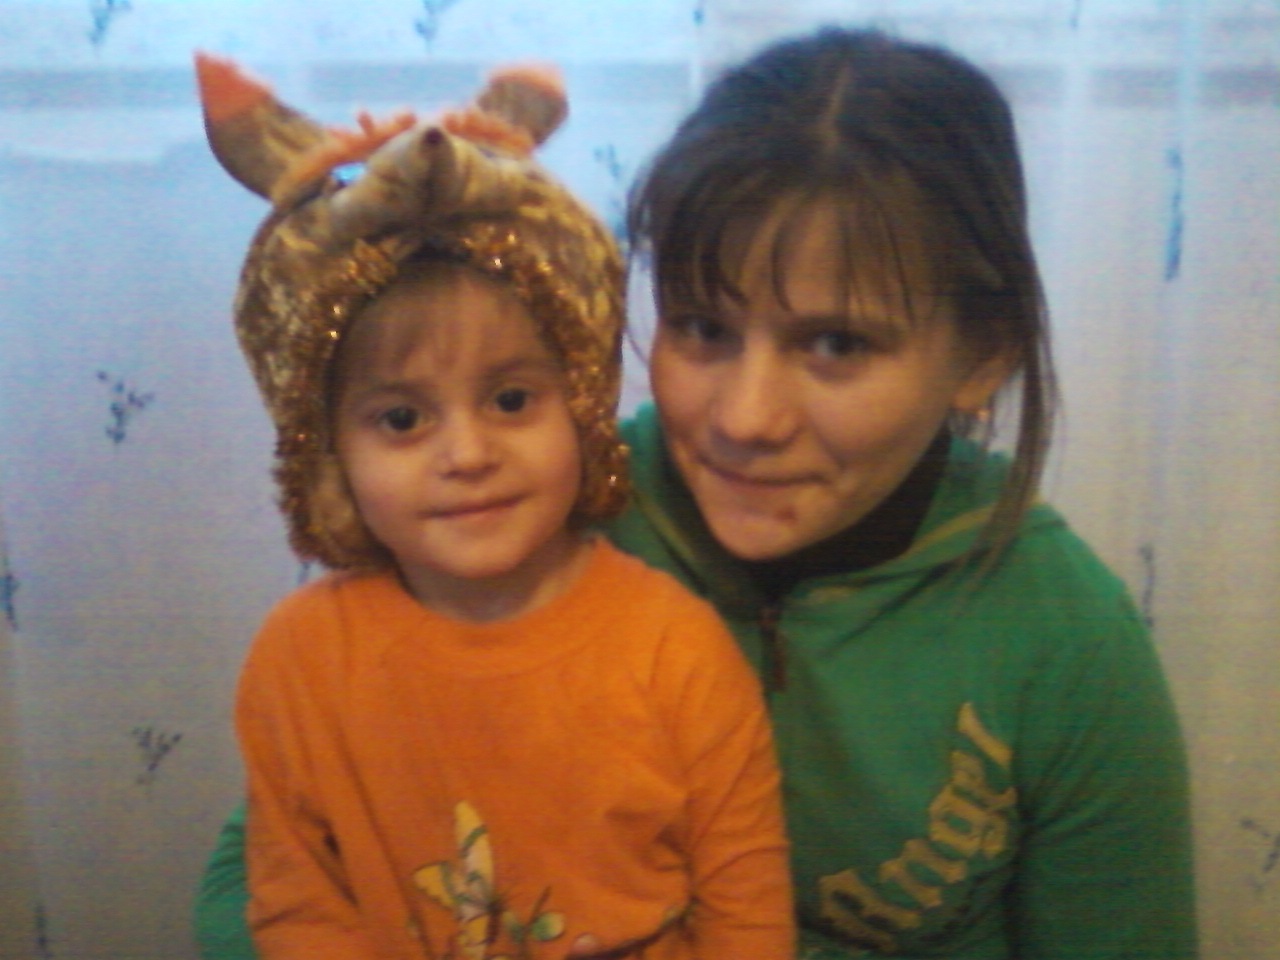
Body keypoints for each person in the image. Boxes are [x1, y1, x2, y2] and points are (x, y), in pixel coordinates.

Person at [195, 26, 1199, 960]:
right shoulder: (529, 517)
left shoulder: (1064, 641)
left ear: (980, 354)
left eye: (836, 344)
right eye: (703, 328)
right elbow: (271, 867)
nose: (746, 418)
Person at [193, 52, 793, 960]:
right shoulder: (300, 662)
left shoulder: (678, 651)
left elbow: (747, 916)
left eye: (512, 400)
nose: (469, 454)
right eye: (402, 419)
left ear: (581, 406)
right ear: (330, 454)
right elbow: (299, 905)